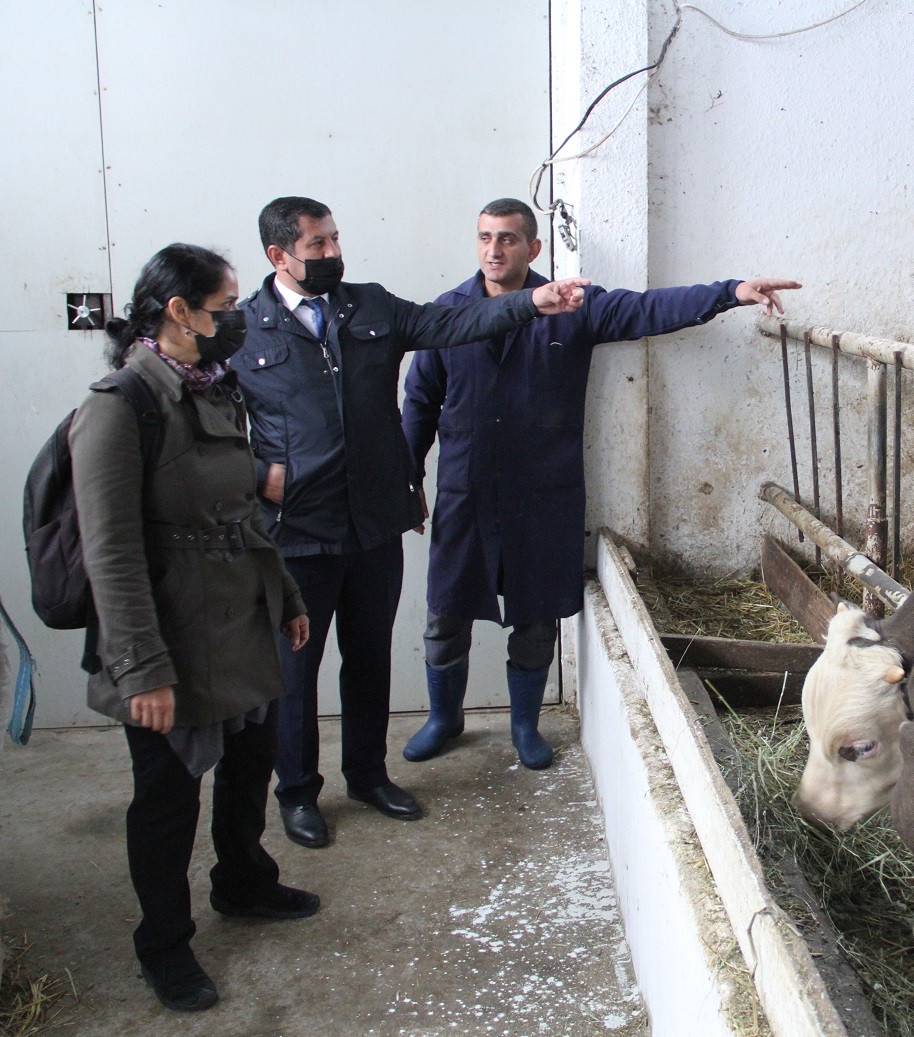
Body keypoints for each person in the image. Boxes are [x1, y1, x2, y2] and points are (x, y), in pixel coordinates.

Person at [229, 197, 588, 850]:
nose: (334, 253)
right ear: (279, 256)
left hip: (371, 526)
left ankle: (368, 774)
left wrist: (532, 304)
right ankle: (299, 793)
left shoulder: (368, 307)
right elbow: (209, 428)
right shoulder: (241, 331)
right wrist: (256, 477)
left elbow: (449, 326)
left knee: (368, 659)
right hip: (298, 535)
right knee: (295, 671)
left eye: (336, 238)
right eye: (318, 246)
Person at [400, 197, 800, 769]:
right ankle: (443, 719)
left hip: (543, 494)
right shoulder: (450, 312)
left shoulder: (569, 308)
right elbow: (419, 400)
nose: (494, 249)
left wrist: (730, 292)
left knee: (534, 618)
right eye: (486, 237)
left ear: (533, 248)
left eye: (508, 238)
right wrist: (407, 475)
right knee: (445, 614)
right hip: (467, 491)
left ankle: (524, 727)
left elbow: (647, 309)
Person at [70, 244, 315, 1012]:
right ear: (179, 312)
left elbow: (243, 512)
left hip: (240, 626)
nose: (236, 320)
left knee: (250, 769)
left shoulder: (213, 387)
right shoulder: (120, 407)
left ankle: (243, 881)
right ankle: (165, 943)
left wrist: (288, 595)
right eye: (224, 306)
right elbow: (110, 553)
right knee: (168, 800)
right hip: (171, 643)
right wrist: (141, 669)